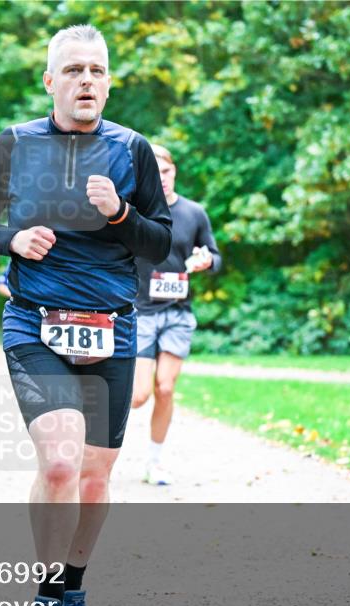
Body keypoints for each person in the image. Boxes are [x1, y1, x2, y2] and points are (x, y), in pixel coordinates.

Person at [0, 24, 171, 606]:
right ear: (50, 80)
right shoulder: (15, 144)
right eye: (73, 70)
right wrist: (12, 242)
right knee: (58, 463)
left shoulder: (131, 150)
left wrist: (121, 217)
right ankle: (47, 599)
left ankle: (74, 589)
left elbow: (161, 242)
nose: (87, 81)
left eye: (97, 71)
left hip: (112, 326)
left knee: (96, 475)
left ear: (108, 81)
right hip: (35, 322)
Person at [131, 144, 222, 486]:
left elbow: (215, 255)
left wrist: (206, 261)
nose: (162, 179)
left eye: (166, 172)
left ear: (174, 172)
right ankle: (92, 428)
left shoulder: (194, 212)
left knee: (165, 388)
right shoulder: (133, 213)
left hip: (178, 314)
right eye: (153, 173)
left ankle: (155, 463)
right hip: (140, 312)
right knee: (139, 396)